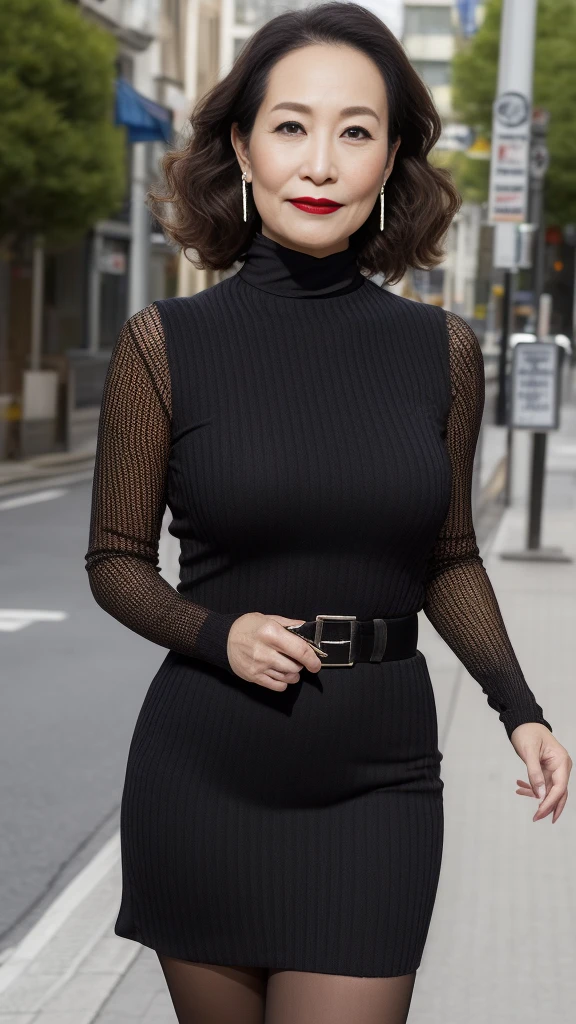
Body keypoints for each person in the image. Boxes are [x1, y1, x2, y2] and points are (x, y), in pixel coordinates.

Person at [84, 3, 572, 1021]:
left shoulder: (441, 352)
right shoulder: (162, 344)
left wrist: (519, 706)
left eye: (356, 131)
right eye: (291, 125)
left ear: (393, 158)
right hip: (205, 768)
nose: (320, 161)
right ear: (242, 145)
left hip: (378, 779)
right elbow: (116, 562)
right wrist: (215, 632)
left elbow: (448, 556)